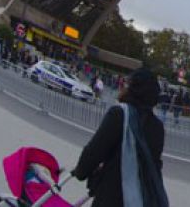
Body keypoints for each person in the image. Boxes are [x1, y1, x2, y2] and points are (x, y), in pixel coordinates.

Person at [72, 68, 168, 207]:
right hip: (141, 199)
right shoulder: (158, 128)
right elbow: (154, 166)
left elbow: (94, 152)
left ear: (133, 89)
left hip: (112, 197)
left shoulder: (119, 114)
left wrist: (81, 171)